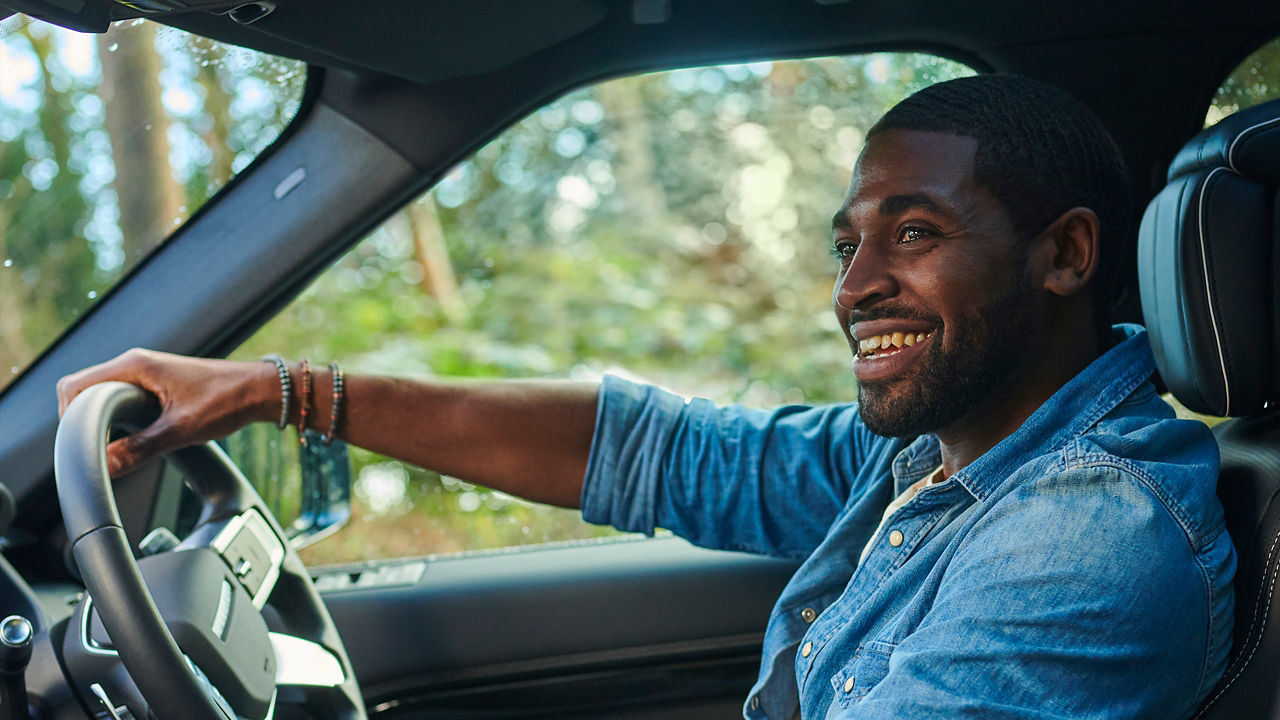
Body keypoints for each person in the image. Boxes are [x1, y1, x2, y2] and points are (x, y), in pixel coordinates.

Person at [57, 75, 1235, 719]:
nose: (855, 289)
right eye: (845, 247)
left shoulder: (1083, 533)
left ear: (1064, 255)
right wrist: (278, 391)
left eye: (913, 233)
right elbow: (664, 450)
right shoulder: (949, 453)